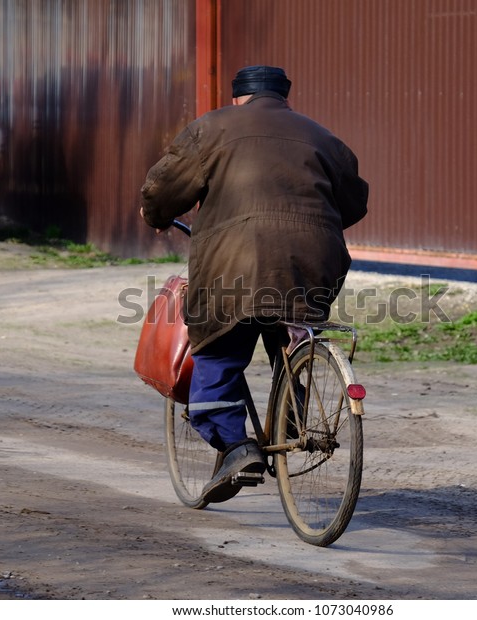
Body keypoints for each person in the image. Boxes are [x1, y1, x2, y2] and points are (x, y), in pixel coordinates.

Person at [140, 65, 368, 503]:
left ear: (238, 98)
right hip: (314, 262)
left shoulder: (211, 128)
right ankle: (293, 409)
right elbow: (354, 202)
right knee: (292, 333)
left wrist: (156, 215)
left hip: (234, 265)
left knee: (219, 350)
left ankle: (236, 447)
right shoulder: (320, 136)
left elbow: (162, 188)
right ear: (285, 98)